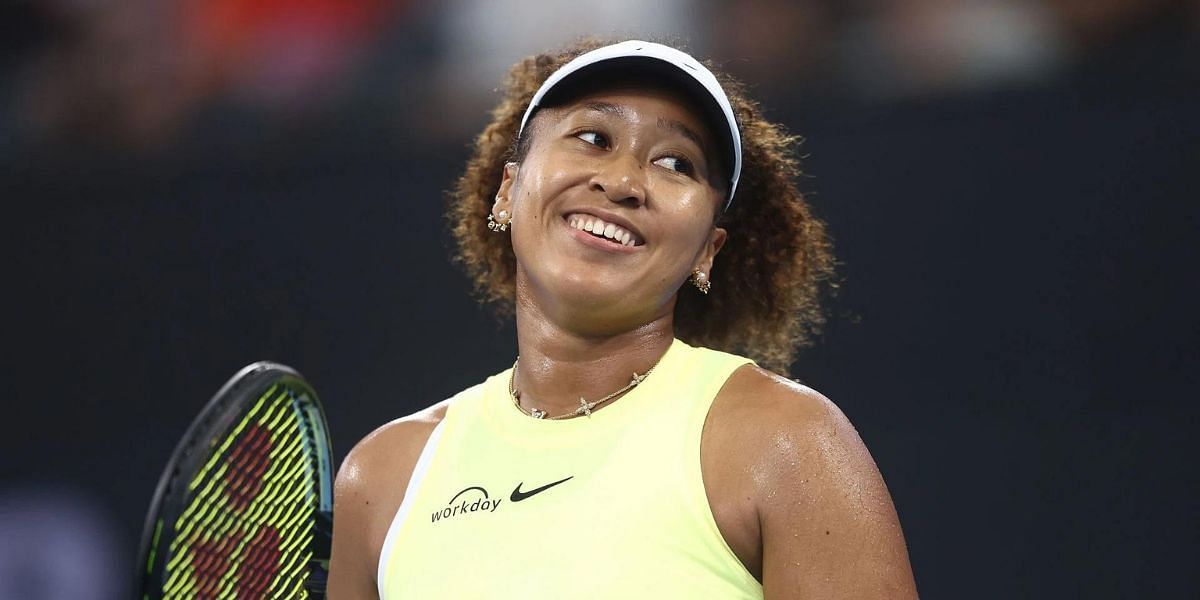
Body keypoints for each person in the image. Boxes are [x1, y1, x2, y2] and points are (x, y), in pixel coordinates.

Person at [328, 39, 918, 599]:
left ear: (707, 250)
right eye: (591, 136)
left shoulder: (782, 439)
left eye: (675, 163)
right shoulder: (383, 480)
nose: (622, 182)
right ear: (507, 191)